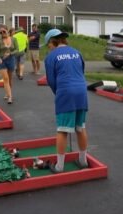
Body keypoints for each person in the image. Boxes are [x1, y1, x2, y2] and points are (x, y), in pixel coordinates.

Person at [44, 28, 89, 173]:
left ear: (53, 41)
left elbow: (51, 81)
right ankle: (83, 161)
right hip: (82, 91)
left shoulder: (51, 57)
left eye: (48, 45)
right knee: (80, 127)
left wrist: (59, 94)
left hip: (66, 92)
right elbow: (81, 71)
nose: (48, 48)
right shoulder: (77, 52)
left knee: (62, 130)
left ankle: (59, 166)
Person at [0, 25, 19, 104]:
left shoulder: (14, 39)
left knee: (10, 79)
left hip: (11, 60)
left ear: (7, 31)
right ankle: (10, 97)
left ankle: (7, 92)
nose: (2, 33)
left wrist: (10, 53)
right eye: (0, 32)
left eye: (3, 31)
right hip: (2, 61)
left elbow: (17, 50)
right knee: (5, 78)